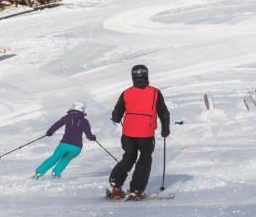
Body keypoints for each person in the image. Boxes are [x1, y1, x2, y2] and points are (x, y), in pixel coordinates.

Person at [108, 65, 170, 200]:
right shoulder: (154, 92)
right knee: (144, 159)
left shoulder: (127, 92)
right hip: (146, 133)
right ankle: (136, 190)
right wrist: (166, 128)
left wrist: (116, 118)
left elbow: (117, 112)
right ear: (146, 75)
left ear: (133, 76)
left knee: (128, 157)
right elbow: (163, 112)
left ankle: (116, 186)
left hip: (128, 132)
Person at [34, 101, 96, 179]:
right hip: (76, 148)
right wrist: (92, 137)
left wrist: (50, 132)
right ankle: (55, 174)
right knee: (66, 159)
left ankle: (39, 173)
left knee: (54, 158)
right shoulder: (85, 121)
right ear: (83, 110)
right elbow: (89, 135)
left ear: (72, 107)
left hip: (64, 144)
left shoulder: (67, 117)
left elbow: (57, 125)